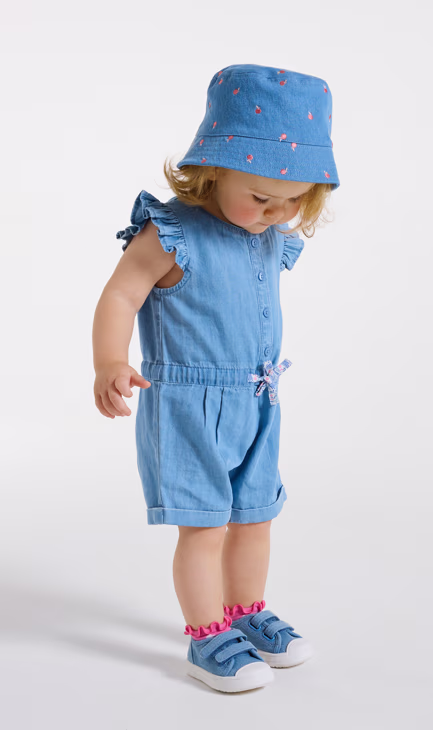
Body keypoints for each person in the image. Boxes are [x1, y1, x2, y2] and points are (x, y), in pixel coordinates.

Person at [92, 63, 340, 693]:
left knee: (254, 517)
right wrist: (110, 362)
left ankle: (245, 611)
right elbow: (121, 294)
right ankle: (207, 636)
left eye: (293, 201)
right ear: (213, 168)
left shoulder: (269, 234)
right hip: (189, 406)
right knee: (204, 526)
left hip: (259, 397)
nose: (274, 214)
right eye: (260, 198)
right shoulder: (172, 232)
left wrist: (269, 214)